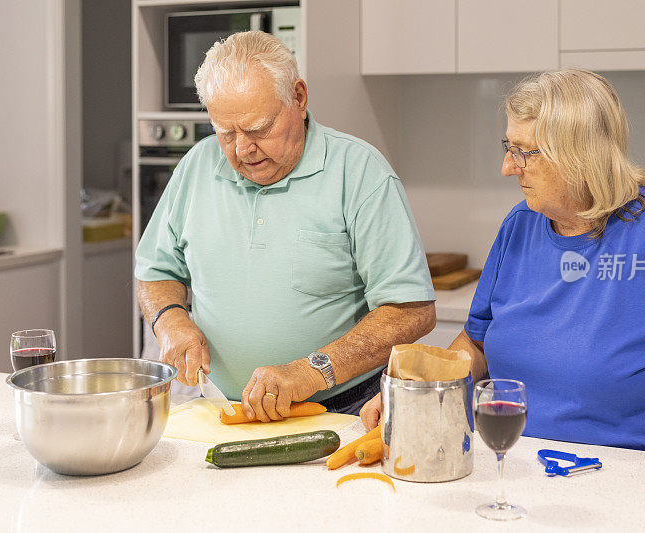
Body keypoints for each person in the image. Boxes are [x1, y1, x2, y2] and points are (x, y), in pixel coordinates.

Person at [361, 68, 645, 460]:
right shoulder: (520, 226)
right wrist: (422, 391)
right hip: (525, 470)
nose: (507, 167)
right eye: (509, 147)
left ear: (579, 156)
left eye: (524, 152)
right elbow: (478, 343)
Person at [135, 31, 435, 420]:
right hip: (221, 410)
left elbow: (411, 310)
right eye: (225, 133)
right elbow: (155, 271)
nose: (242, 149)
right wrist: (170, 320)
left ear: (298, 97)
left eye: (259, 128)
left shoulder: (361, 173)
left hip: (341, 410)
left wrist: (310, 371)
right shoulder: (197, 166)